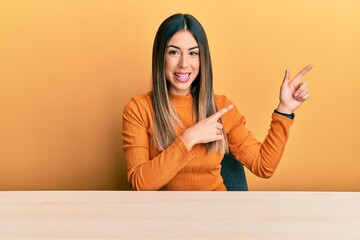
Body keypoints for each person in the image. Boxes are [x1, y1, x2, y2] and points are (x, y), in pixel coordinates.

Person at [122, 13, 312, 191]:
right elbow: (141, 183)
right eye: (173, 52)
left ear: (203, 58)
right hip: (164, 218)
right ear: (160, 57)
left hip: (216, 213)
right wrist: (189, 138)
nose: (184, 64)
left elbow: (263, 166)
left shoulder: (221, 107)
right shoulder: (139, 108)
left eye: (193, 53)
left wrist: (284, 110)